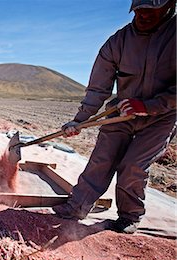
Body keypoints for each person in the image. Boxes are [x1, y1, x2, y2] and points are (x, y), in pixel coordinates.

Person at [52, 0, 176, 234]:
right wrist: (80, 120)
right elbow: (98, 88)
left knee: (133, 165)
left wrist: (149, 106)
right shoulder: (118, 42)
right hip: (123, 111)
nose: (143, 15)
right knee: (102, 158)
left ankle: (129, 216)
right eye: (139, 10)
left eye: (150, 10)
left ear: (168, 5)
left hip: (162, 115)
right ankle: (77, 207)